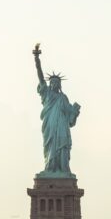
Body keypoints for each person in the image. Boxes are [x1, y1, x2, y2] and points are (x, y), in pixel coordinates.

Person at [33, 44, 81, 176]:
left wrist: (75, 112)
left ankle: (63, 169)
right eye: (52, 82)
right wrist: (37, 59)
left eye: (56, 82)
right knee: (50, 148)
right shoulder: (46, 94)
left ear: (59, 85)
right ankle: (50, 168)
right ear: (49, 84)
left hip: (62, 128)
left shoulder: (63, 98)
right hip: (49, 126)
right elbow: (40, 76)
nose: (54, 84)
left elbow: (70, 119)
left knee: (63, 146)